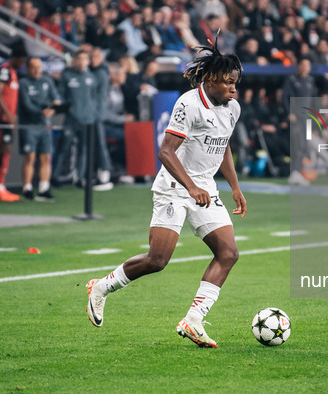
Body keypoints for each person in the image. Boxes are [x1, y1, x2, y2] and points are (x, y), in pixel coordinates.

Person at [85, 37, 247, 349]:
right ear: (211, 79)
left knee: (228, 253)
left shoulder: (232, 108)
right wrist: (191, 186)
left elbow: (223, 145)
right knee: (158, 259)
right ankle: (102, 287)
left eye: (235, 83)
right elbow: (166, 153)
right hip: (175, 187)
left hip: (205, 189)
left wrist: (235, 187)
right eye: (229, 82)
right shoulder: (189, 103)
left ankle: (194, 319)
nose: (233, 89)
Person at [18, 57, 61, 201]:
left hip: (45, 125)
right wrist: (41, 111)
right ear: (28, 68)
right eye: (33, 67)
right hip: (29, 125)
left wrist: (55, 106)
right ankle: (27, 188)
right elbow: (27, 105)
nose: (37, 70)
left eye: (39, 67)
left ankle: (43, 188)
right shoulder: (23, 83)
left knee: (46, 157)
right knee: (30, 156)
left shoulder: (47, 81)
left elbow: (56, 97)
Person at [53, 50, 97, 187]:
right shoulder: (67, 75)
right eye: (80, 58)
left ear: (88, 61)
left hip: (87, 120)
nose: (82, 61)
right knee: (63, 148)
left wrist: (92, 113)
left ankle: (80, 178)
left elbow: (94, 97)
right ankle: (54, 177)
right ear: (75, 60)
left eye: (85, 59)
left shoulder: (92, 77)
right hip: (71, 119)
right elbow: (60, 94)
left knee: (84, 149)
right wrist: (59, 103)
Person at [281, 58, 317, 186]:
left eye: (308, 66)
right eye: (303, 65)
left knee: (304, 146)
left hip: (306, 118)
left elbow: (313, 100)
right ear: (298, 66)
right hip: (296, 118)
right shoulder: (292, 80)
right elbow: (285, 97)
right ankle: (294, 173)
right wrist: (289, 113)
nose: (305, 68)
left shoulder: (310, 81)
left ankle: (299, 172)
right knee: (297, 145)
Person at [0, 43, 27, 202]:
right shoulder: (4, 71)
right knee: (4, 150)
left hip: (6, 119)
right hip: (2, 120)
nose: (23, 64)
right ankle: (0, 187)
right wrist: (9, 115)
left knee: (5, 151)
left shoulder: (13, 72)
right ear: (15, 58)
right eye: (22, 60)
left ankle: (1, 185)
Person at [90, 47, 114, 190]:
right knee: (96, 144)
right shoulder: (99, 72)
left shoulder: (100, 74)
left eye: (96, 56)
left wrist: (96, 113)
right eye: (92, 56)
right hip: (95, 113)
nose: (93, 59)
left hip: (97, 114)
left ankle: (104, 176)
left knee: (99, 143)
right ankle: (100, 175)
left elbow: (98, 98)